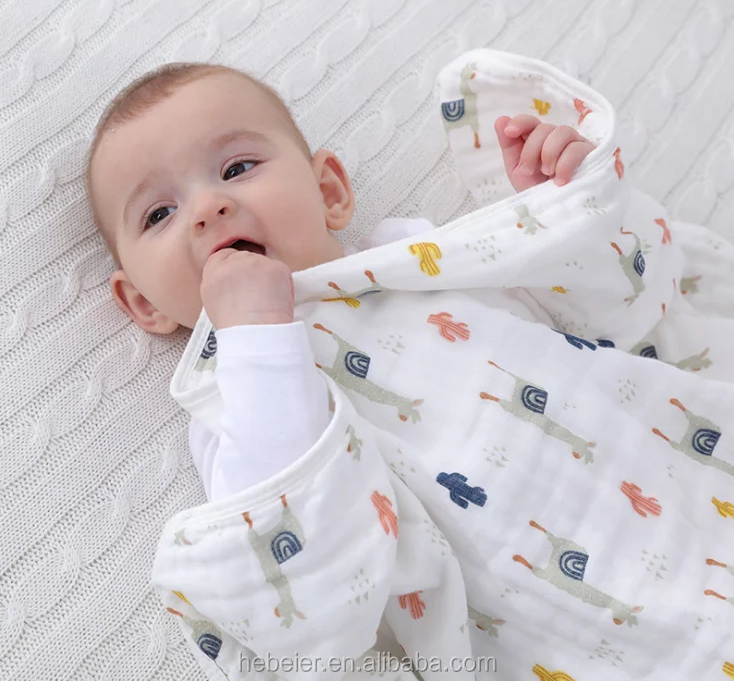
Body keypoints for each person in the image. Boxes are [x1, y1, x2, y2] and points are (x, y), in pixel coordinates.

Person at [86, 62, 594, 500]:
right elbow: (287, 533)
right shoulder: (227, 407)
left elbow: (582, 312)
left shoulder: (412, 252)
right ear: (142, 303)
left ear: (328, 192)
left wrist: (554, 210)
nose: (206, 208)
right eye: (158, 214)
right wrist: (256, 336)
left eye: (237, 167)